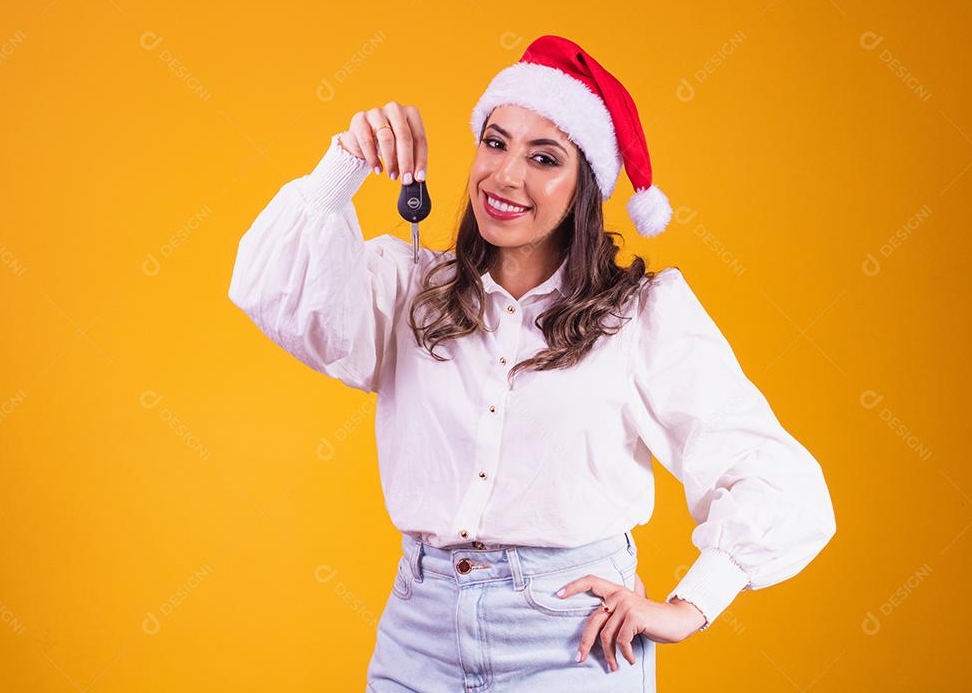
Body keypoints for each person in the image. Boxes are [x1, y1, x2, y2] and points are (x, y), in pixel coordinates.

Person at [227, 34, 836, 692]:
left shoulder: (638, 314)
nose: (506, 176)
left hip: (569, 640)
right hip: (418, 639)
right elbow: (280, 302)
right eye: (495, 143)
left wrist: (693, 606)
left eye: (544, 158)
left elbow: (768, 471)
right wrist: (343, 163)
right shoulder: (409, 287)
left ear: (585, 189)